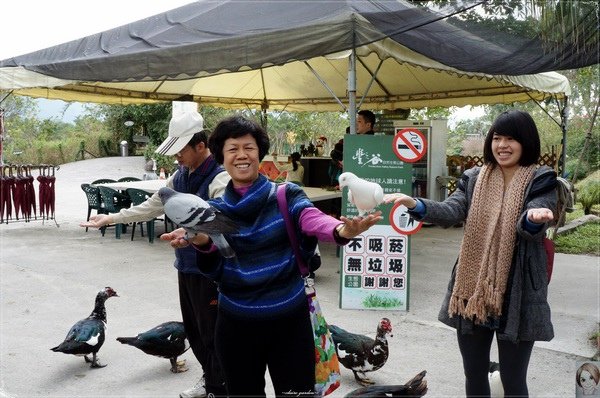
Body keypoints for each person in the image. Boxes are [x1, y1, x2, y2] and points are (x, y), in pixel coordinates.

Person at [161, 115, 382, 397]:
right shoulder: (214, 210)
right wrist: (199, 239)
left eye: (248, 147)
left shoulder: (285, 195)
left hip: (289, 323)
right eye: (232, 149)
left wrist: (340, 230)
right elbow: (212, 257)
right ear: (222, 157)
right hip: (234, 325)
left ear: (259, 153)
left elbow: (311, 218)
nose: (241, 155)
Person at [383, 110, 557, 397]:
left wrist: (533, 217)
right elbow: (452, 210)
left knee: (514, 380)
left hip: (519, 292)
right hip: (472, 290)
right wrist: (416, 204)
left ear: (526, 142)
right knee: (473, 373)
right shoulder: (474, 178)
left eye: (511, 138)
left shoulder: (541, 178)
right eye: (497, 138)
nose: (502, 145)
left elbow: (532, 221)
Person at [81, 111, 229, 398]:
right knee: (196, 333)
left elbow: (221, 222)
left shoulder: (219, 178)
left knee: (213, 334)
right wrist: (109, 219)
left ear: (201, 146)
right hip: (185, 266)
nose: (176, 158)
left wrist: (189, 235)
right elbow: (152, 205)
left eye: (180, 151)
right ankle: (210, 378)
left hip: (211, 271)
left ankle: (218, 387)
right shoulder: (180, 175)